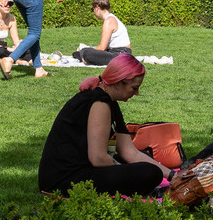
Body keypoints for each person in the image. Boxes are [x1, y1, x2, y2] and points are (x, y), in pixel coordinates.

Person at [39, 52, 168, 195]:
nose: (136, 93)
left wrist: (172, 175)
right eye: (134, 88)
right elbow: (98, 158)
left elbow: (129, 152)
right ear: (119, 83)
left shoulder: (108, 100)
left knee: (143, 160)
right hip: (65, 180)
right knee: (149, 172)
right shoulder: (99, 103)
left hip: (82, 168)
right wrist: (125, 174)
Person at [74, 0, 131, 65]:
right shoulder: (111, 18)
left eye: (93, 9)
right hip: (119, 52)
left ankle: (84, 56)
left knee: (86, 53)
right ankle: (83, 55)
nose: (93, 12)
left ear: (97, 8)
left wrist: (88, 50)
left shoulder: (109, 21)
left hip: (120, 54)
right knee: (78, 53)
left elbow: (102, 47)